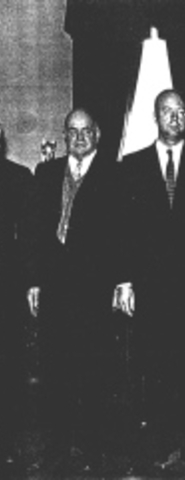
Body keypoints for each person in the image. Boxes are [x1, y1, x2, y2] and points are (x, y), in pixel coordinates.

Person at [116, 89, 185, 476]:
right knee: (153, 371)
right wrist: (125, 279)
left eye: (181, 111)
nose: (175, 118)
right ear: (155, 118)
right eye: (167, 112)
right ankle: (156, 449)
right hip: (151, 288)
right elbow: (123, 231)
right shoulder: (133, 165)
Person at [26, 108, 119, 475]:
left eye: (85, 131)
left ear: (97, 134)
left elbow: (120, 237)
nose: (79, 138)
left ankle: (93, 451)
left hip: (94, 292)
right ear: (64, 136)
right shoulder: (46, 172)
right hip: (54, 291)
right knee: (54, 374)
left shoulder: (115, 175)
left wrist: (118, 283)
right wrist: (33, 281)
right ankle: (56, 449)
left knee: (93, 374)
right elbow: (34, 233)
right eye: (72, 131)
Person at [0, 127, 32, 477]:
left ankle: (7, 444)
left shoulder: (18, 179)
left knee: (7, 371)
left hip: (5, 291)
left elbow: (28, 240)